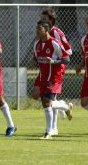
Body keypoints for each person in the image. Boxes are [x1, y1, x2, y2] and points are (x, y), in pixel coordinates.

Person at [31, 7, 73, 136]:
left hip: (56, 69)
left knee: (48, 99)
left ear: (50, 21)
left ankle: (52, 129)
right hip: (45, 69)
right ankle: (63, 107)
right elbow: (38, 54)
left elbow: (68, 52)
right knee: (37, 95)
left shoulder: (57, 34)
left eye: (44, 19)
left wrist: (55, 59)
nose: (41, 20)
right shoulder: (38, 42)